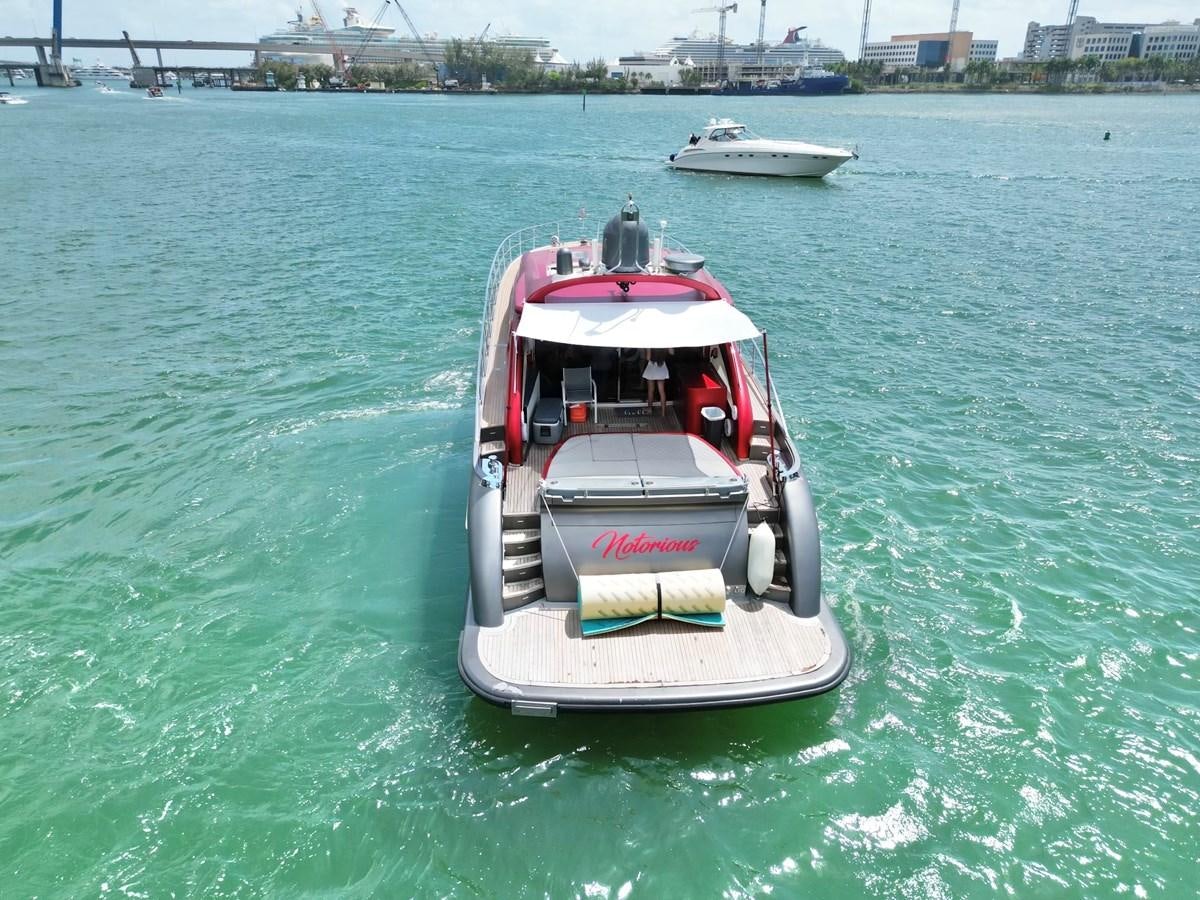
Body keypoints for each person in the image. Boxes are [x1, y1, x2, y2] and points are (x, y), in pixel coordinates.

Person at [643, 348, 672, 416]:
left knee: (651, 390)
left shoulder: (651, 343)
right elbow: (671, 352)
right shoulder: (665, 342)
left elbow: (648, 357)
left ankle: (649, 409)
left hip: (652, 366)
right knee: (662, 391)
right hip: (662, 365)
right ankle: (663, 413)